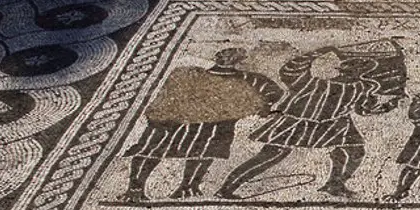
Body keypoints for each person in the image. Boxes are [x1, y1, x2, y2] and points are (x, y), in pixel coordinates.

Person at [216, 47, 399, 199]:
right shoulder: (310, 83)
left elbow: (363, 110)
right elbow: (290, 70)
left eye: (362, 72)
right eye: (356, 71)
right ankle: (227, 189)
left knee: (354, 149)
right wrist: (316, 53)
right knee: (271, 155)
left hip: (335, 124)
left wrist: (387, 107)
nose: (359, 75)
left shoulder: (361, 88)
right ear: (344, 71)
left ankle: (335, 184)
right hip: (297, 122)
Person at [121, 48, 282, 201]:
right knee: (160, 150)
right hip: (186, 123)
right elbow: (272, 92)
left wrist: (263, 107)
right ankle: (139, 189)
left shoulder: (242, 78)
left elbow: (272, 92)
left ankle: (185, 187)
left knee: (197, 151)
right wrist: (263, 107)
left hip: (192, 124)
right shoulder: (241, 78)